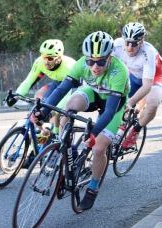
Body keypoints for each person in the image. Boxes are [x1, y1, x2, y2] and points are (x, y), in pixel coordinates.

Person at [30, 31, 130, 210]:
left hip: (113, 105)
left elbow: (108, 112)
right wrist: (43, 111)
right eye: (91, 61)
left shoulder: (119, 71)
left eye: (100, 61)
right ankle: (68, 149)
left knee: (99, 149)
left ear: (109, 58)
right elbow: (61, 90)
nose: (95, 66)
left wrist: (93, 133)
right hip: (93, 92)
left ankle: (92, 188)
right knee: (67, 108)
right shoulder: (81, 64)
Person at [9, 39, 79, 135]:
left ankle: (56, 135)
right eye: (44, 57)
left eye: (50, 59)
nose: (46, 61)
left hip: (73, 86)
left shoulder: (68, 67)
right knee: (40, 99)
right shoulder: (39, 62)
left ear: (58, 58)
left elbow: (65, 95)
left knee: (58, 111)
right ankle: (42, 131)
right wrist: (16, 96)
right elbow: (29, 80)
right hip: (58, 82)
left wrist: (52, 112)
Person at [113, 22, 162, 149]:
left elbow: (147, 86)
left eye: (134, 43)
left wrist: (131, 102)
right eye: (127, 42)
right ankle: (117, 127)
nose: (130, 47)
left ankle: (135, 132)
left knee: (152, 105)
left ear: (141, 42)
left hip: (153, 79)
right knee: (115, 101)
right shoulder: (117, 45)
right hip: (134, 76)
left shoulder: (148, 52)